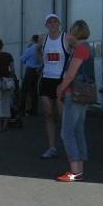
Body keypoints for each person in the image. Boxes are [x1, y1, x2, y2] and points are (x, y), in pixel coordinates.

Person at [54, 20, 93, 182]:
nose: (67, 36)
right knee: (78, 131)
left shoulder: (80, 50)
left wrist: (61, 88)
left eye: (70, 32)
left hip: (74, 95)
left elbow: (71, 74)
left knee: (67, 132)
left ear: (75, 33)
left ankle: (75, 170)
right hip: (83, 95)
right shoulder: (87, 48)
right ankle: (79, 169)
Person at [37, 13, 68, 158]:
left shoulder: (66, 38)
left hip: (60, 80)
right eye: (50, 22)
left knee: (62, 116)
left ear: (59, 24)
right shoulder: (43, 39)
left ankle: (69, 146)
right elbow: (37, 50)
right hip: (46, 80)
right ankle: (51, 147)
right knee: (48, 114)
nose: (53, 24)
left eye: (55, 21)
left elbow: (78, 50)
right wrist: (42, 63)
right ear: (46, 25)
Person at [18, 34, 41, 116]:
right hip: (38, 71)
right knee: (34, 91)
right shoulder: (41, 48)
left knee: (24, 90)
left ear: (32, 40)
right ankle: (34, 110)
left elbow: (22, 59)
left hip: (30, 70)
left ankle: (22, 110)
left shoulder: (30, 48)